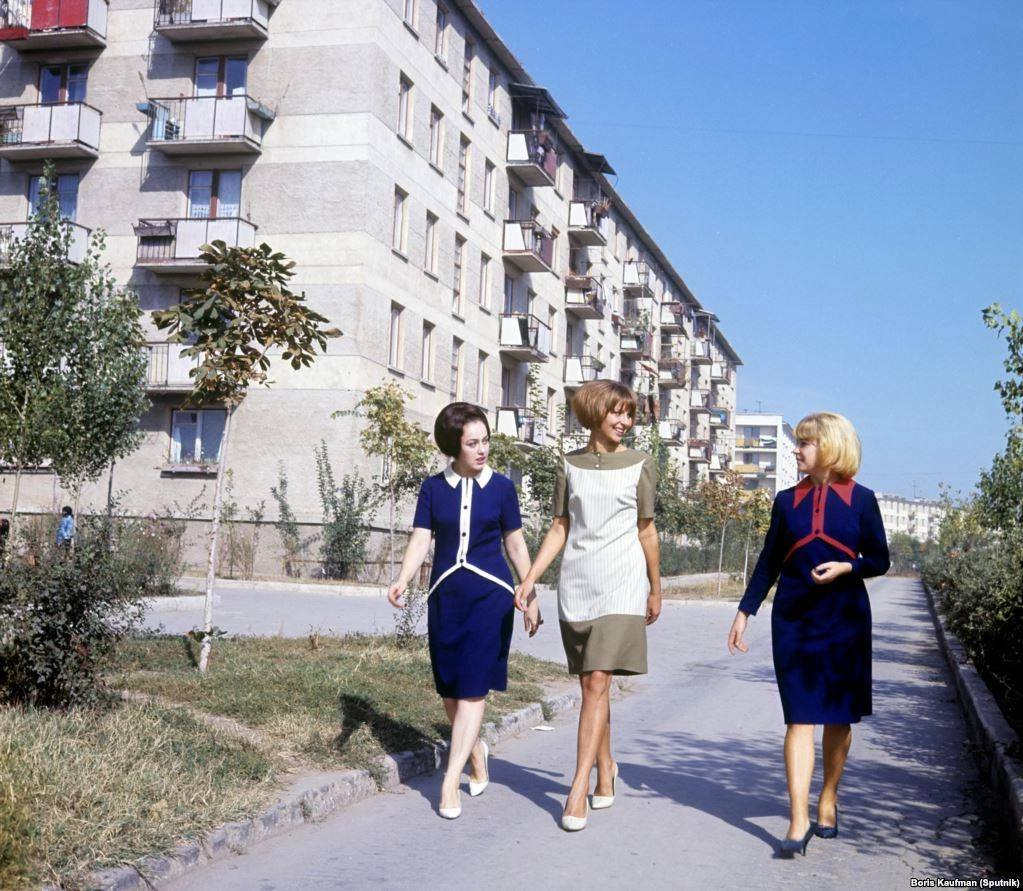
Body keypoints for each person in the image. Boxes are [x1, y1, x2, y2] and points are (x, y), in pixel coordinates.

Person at [727, 412, 890, 857]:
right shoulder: (784, 501)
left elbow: (879, 559)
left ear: (831, 447)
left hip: (845, 619)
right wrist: (745, 611)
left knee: (838, 718)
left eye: (805, 443)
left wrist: (848, 567)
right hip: (794, 619)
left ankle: (828, 797)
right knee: (799, 717)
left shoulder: (862, 499)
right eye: (797, 443)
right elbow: (768, 561)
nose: (796, 450)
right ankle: (798, 818)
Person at [515, 379, 661, 831]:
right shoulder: (569, 465)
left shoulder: (640, 464)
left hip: (622, 583)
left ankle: (577, 786)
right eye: (617, 412)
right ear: (594, 412)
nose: (625, 421)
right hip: (577, 584)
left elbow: (646, 530)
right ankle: (606, 767)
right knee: (590, 687)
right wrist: (531, 578)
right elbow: (559, 527)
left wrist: (656, 588)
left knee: (599, 678)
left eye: (630, 414)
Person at [388, 402, 540, 820]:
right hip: (446, 596)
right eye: (472, 442)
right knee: (450, 690)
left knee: (473, 689)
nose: (482, 449)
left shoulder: (503, 489)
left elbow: (515, 544)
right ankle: (475, 752)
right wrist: (402, 578)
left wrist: (529, 593)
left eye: (485, 440)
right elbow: (421, 539)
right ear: (452, 447)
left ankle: (450, 780)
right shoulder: (433, 488)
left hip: (491, 598)